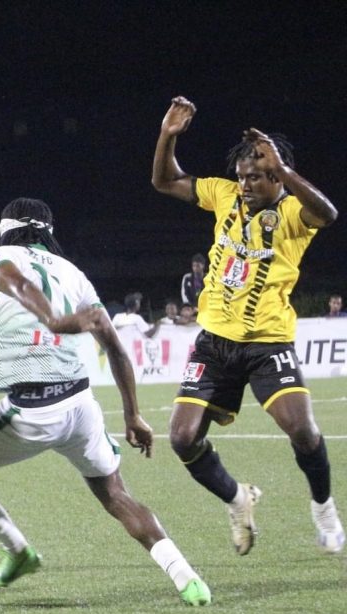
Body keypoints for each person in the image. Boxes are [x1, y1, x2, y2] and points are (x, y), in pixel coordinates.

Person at [0, 198, 210, 605]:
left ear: (5, 228)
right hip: (81, 404)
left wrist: (52, 319)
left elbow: (15, 280)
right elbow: (114, 345)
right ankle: (187, 578)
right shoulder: (73, 272)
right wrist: (133, 415)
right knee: (116, 494)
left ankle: (17, 551)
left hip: (31, 408)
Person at [152, 95, 343, 554]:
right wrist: (167, 136)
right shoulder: (224, 195)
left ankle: (324, 510)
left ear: (276, 174)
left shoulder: (295, 214)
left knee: (301, 429)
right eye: (241, 177)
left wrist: (285, 171)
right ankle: (238, 499)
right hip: (215, 341)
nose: (244, 184)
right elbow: (164, 180)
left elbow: (329, 214)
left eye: (255, 176)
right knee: (181, 438)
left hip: (267, 342)